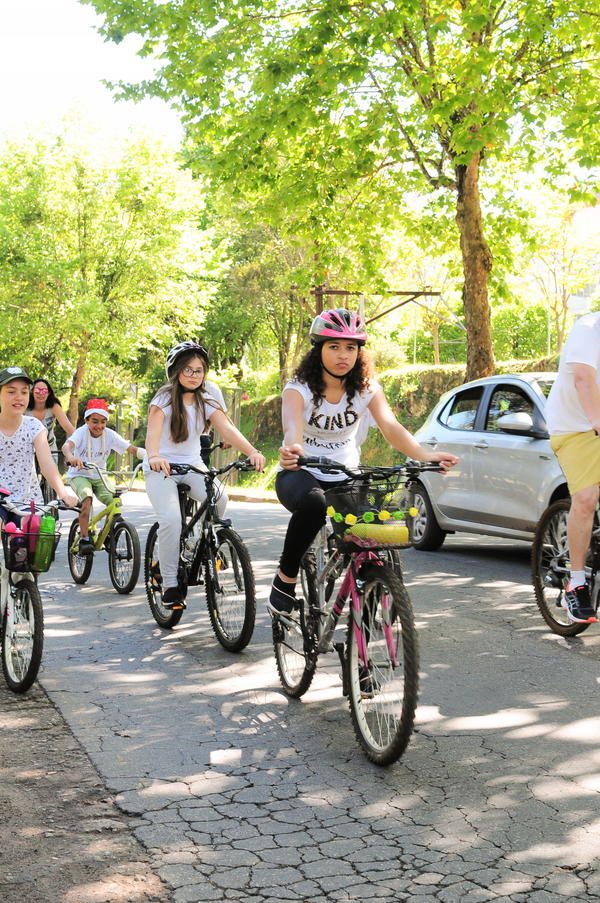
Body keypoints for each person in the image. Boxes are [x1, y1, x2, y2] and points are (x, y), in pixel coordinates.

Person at [268, 308, 458, 617]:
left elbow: (391, 427)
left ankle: (370, 596)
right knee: (315, 506)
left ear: (359, 352)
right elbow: (292, 428)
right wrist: (293, 450)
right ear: (318, 350)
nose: (343, 355)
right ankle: (285, 579)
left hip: (346, 475)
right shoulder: (298, 388)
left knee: (376, 531)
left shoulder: (366, 389)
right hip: (300, 473)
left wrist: (425, 455)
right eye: (334, 347)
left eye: (351, 347)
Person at [145, 341, 265, 610]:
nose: (194, 375)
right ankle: (169, 583)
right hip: (160, 467)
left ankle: (196, 544)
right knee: (172, 520)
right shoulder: (162, 399)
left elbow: (227, 429)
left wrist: (252, 451)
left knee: (219, 499)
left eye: (199, 370)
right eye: (188, 369)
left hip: (191, 463)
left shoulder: (207, 399)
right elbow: (152, 437)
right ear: (175, 371)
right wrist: (153, 455)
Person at [545, 310, 600, 623]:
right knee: (586, 497)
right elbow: (583, 378)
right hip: (575, 426)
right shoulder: (588, 328)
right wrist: (596, 420)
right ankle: (576, 584)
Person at [62, 399, 144, 556]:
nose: (98, 426)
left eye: (103, 422)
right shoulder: (80, 433)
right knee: (87, 498)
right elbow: (66, 446)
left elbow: (131, 449)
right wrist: (71, 457)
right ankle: (85, 538)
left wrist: (150, 456)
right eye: (94, 421)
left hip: (99, 475)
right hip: (79, 474)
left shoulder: (110, 435)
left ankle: (106, 535)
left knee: (115, 501)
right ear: (86, 420)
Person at [0, 366, 78, 514]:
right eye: (11, 391)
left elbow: (47, 464)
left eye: (24, 392)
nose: (19, 397)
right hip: (1, 500)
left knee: (36, 531)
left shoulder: (33, 426)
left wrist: (63, 493)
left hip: (28, 501)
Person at [27, 378, 75, 463]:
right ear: (32, 392)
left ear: (49, 393)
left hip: (49, 447)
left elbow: (68, 427)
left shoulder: (54, 406)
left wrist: (82, 440)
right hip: (29, 448)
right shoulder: (25, 407)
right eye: (37, 390)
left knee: (51, 474)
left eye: (44, 391)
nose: (41, 393)